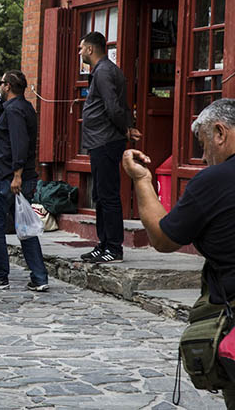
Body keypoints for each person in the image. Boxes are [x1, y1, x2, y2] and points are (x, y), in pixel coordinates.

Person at [122, 98, 235, 407]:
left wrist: (142, 179)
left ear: (220, 133)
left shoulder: (215, 180)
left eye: (203, 145)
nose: (203, 156)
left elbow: (163, 237)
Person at [0, 70, 49, 292]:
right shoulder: (21, 107)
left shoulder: (14, 112)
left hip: (7, 178)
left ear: (7, 86)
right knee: (25, 229)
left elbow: (19, 143)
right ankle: (39, 276)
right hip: (15, 177)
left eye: (1, 83)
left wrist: (17, 175)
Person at [79, 31, 141, 263]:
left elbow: (114, 107)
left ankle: (113, 247)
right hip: (100, 139)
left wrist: (126, 128)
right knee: (100, 194)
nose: (80, 52)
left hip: (105, 139)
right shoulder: (105, 70)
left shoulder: (104, 71)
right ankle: (103, 243)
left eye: (81, 48)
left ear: (91, 49)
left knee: (108, 194)